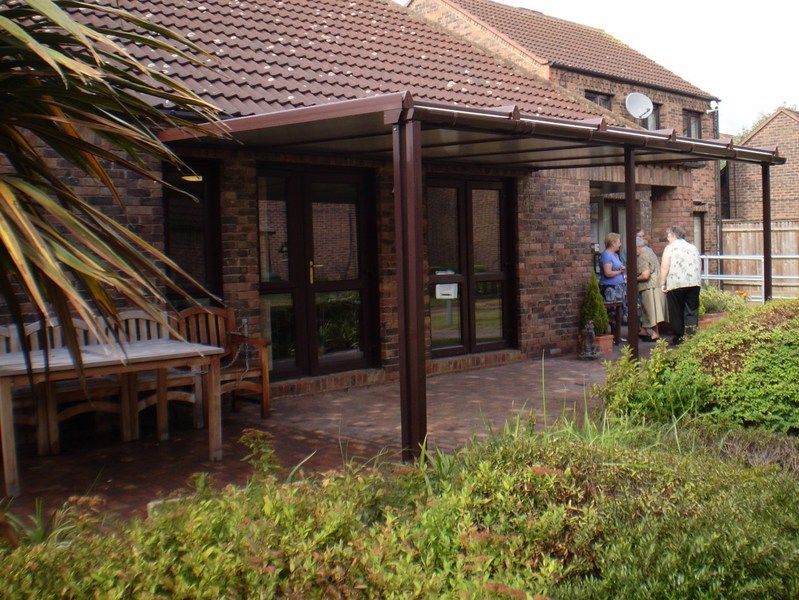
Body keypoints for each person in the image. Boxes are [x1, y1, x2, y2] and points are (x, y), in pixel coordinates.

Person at [659, 225, 701, 345]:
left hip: (676, 283)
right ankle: (691, 336)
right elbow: (699, 264)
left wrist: (662, 283)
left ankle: (679, 337)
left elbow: (665, 266)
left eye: (668, 236)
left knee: (676, 311)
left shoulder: (670, 248)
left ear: (674, 235)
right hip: (694, 283)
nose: (667, 238)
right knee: (691, 310)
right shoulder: (693, 247)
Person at [635, 236, 666, 341]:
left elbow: (645, 275)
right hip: (656, 285)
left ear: (637, 247)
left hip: (648, 287)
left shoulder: (642, 256)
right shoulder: (649, 250)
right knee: (653, 313)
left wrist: (633, 278)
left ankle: (652, 334)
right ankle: (647, 332)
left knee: (649, 312)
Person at [599, 232, 627, 323]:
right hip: (610, 288)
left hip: (619, 286)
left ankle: (617, 330)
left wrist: (622, 268)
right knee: (612, 314)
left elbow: (617, 267)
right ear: (613, 243)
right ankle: (613, 331)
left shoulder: (615, 255)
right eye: (619, 242)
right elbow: (607, 273)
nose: (620, 244)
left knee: (619, 312)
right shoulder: (606, 255)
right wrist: (619, 271)